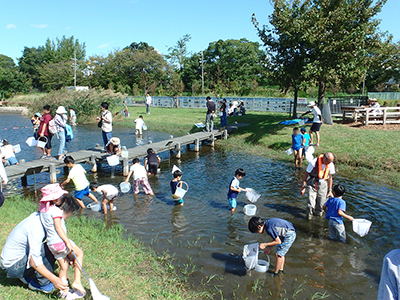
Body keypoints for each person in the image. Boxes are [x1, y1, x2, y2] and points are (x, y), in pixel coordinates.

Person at [1, 187, 72, 295]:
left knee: (52, 246)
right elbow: (34, 261)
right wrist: (55, 280)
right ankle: (41, 284)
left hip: (17, 261)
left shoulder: (42, 216)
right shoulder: (36, 225)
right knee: (50, 247)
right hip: (13, 266)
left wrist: (67, 254)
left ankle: (26, 276)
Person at [39, 187, 85, 298]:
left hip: (52, 245)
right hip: (60, 242)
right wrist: (67, 241)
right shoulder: (56, 211)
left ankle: (63, 290)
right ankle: (77, 281)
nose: (61, 198)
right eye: (59, 197)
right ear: (55, 199)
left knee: (64, 267)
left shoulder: (43, 211)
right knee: (79, 253)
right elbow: (58, 228)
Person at [300, 152, 335, 220]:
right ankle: (309, 218)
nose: (329, 163)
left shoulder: (331, 164)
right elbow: (306, 175)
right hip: (312, 183)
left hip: (323, 185)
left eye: (330, 162)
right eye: (328, 162)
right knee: (311, 203)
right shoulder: (313, 162)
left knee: (321, 204)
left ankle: (318, 218)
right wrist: (303, 187)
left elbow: (330, 177)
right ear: (324, 158)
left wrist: (330, 190)